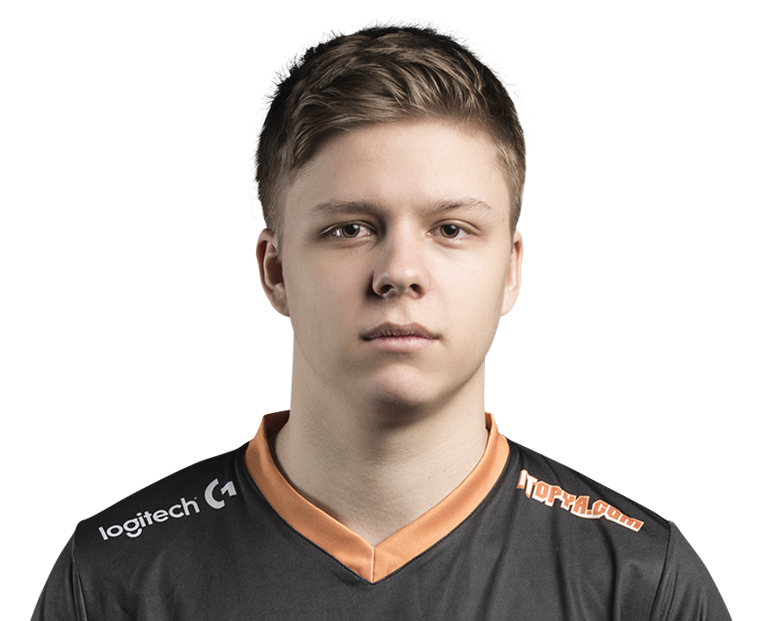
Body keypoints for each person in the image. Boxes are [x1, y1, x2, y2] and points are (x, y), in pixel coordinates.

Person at [34, 31, 729, 620]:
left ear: (511, 272)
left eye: (450, 229)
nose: (399, 271)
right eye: (350, 228)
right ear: (275, 272)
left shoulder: (636, 581)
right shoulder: (116, 579)